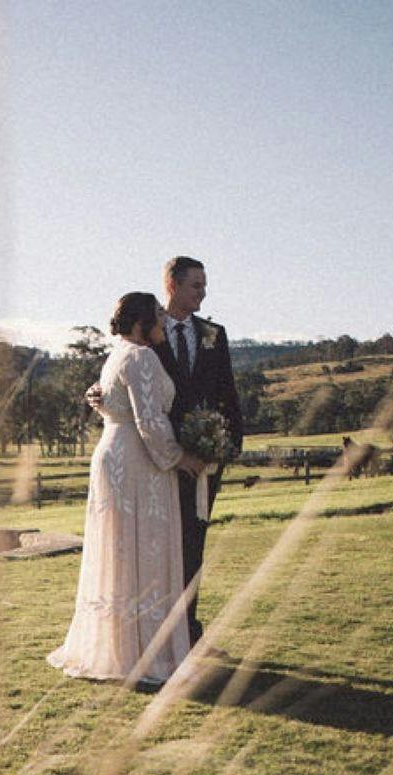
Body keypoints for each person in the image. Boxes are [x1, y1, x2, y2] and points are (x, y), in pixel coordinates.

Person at [48, 292, 211, 685]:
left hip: (116, 456)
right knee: (144, 549)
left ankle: (123, 645)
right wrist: (179, 458)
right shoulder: (140, 356)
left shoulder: (116, 354)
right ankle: (142, 652)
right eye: (157, 315)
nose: (161, 321)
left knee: (123, 549)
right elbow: (149, 420)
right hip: (138, 463)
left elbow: (115, 404)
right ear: (142, 322)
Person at [154, 256, 244, 645]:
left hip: (206, 459)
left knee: (194, 540)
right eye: (196, 286)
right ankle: (157, 630)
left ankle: (188, 628)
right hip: (159, 457)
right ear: (172, 285)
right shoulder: (147, 327)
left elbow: (226, 391)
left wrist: (226, 444)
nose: (203, 293)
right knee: (159, 543)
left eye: (205, 286)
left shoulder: (213, 333)